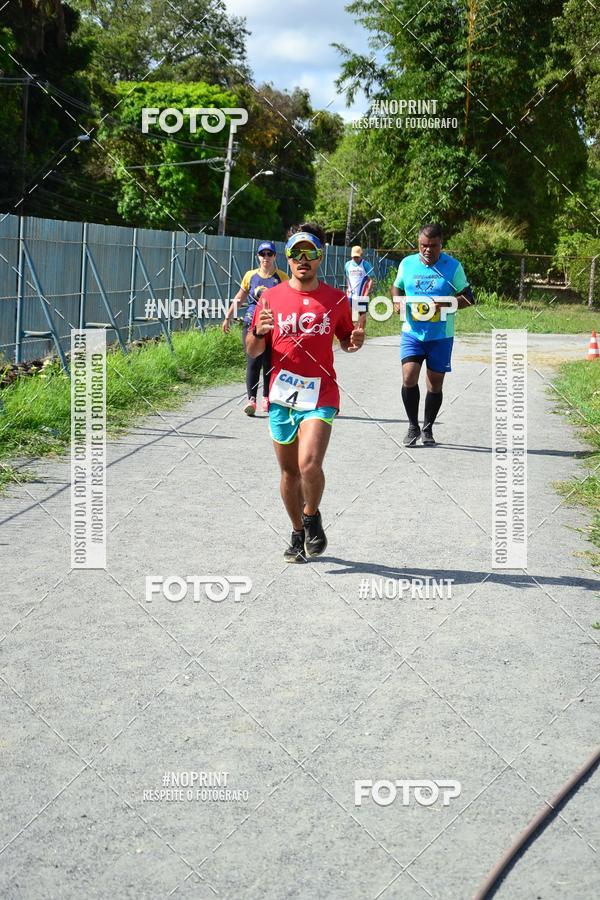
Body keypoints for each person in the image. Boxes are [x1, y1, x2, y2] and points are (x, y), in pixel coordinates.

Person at [245, 222, 365, 563]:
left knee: (309, 464)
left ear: (320, 257)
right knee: (289, 473)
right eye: (295, 253)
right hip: (281, 395)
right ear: (288, 257)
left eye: (309, 252)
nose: (302, 259)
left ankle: (312, 515)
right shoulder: (271, 296)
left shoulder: (336, 299)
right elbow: (253, 350)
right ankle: (298, 531)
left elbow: (346, 340)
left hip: (321, 393)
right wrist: (257, 330)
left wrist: (354, 342)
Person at [391, 222, 474, 446]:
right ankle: (412, 426)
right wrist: (397, 300)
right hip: (412, 333)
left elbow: (468, 297)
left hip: (440, 336)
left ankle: (427, 429)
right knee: (408, 377)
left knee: (434, 385)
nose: (427, 250)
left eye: (433, 246)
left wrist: (448, 302)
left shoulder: (452, 267)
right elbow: (396, 286)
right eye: (423, 245)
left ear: (441, 245)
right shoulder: (407, 264)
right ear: (418, 243)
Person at [222, 241, 288, 416]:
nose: (266, 257)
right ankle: (251, 399)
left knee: (269, 361)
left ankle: (267, 397)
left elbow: (289, 300)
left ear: (274, 256)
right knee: (253, 360)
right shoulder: (250, 276)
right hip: (252, 322)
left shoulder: (282, 277)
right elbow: (240, 297)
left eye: (269, 254)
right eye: (262, 254)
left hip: (273, 325)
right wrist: (228, 317)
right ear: (258, 256)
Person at [345, 245, 374, 330]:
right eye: (354, 257)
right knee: (349, 316)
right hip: (350, 295)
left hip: (362, 295)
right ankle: (350, 333)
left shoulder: (365, 264)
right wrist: (348, 289)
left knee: (362, 316)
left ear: (361, 255)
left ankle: (361, 331)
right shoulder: (347, 265)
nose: (355, 258)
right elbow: (348, 278)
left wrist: (366, 293)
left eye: (357, 256)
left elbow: (371, 280)